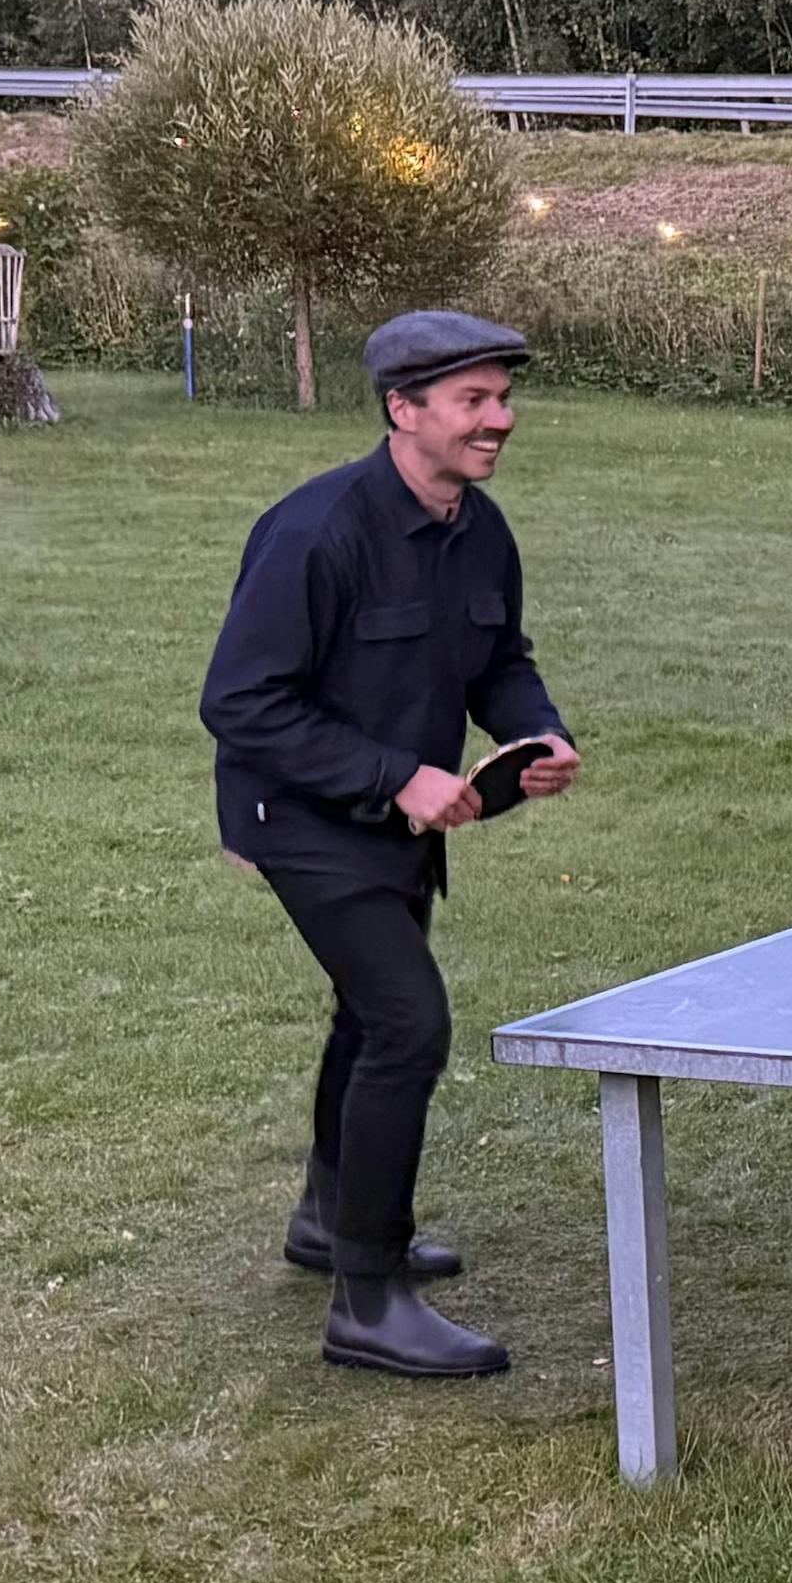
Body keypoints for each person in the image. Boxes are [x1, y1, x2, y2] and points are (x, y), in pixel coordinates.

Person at [201, 311, 580, 1380]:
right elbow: (239, 703)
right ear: (403, 410)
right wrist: (393, 774)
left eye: (503, 398)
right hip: (301, 817)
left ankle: (328, 1217)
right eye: (475, 401)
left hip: (401, 816)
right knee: (409, 1021)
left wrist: (534, 730)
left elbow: (500, 656)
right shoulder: (316, 531)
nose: (499, 419)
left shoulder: (479, 527)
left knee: (370, 1014)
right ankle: (367, 1298)